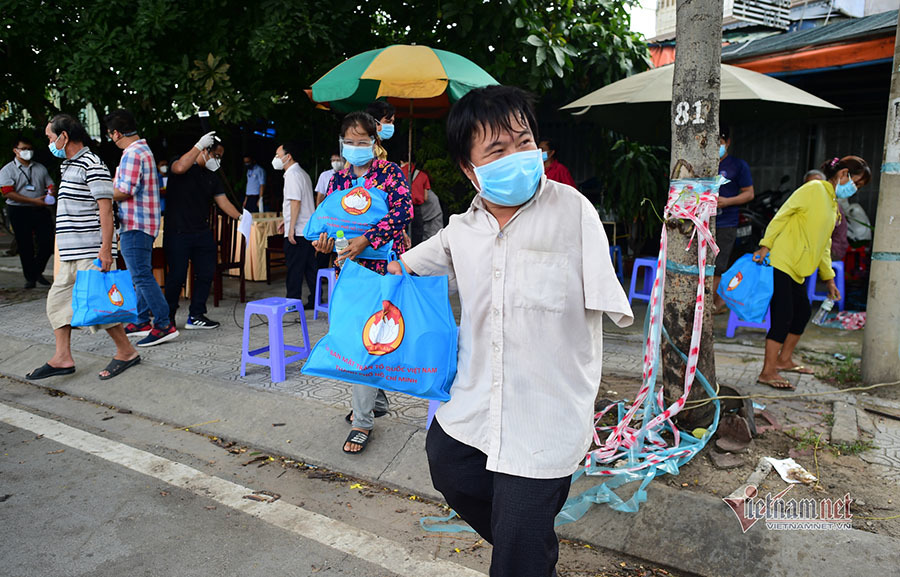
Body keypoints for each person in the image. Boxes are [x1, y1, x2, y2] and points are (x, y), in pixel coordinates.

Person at [387, 86, 633, 577]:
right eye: (497, 150)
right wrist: (354, 249)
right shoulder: (462, 229)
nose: (517, 156)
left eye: (523, 142)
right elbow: (403, 270)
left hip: (543, 416)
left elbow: (613, 307)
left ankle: (525, 554)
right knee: (448, 466)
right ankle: (530, 551)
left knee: (517, 550)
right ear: (468, 168)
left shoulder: (574, 213)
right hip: (473, 407)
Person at [312, 111, 412, 454]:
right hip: (349, 268)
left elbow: (402, 213)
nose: (356, 148)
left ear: (375, 141)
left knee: (367, 341)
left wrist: (367, 239)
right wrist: (327, 244)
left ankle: (362, 421)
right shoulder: (338, 180)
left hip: (383, 268)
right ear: (342, 143)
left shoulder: (389, 173)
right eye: (350, 142)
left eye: (362, 142)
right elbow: (334, 220)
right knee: (357, 338)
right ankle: (373, 400)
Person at [25, 113, 141, 381]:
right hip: (69, 252)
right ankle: (62, 357)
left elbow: (106, 210)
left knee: (101, 305)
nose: (49, 142)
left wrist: (106, 250)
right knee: (59, 303)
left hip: (90, 250)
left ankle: (127, 352)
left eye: (51, 137)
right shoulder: (69, 165)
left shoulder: (92, 164)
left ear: (64, 136)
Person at [753, 155, 870, 389]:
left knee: (802, 313)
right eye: (855, 183)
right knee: (783, 315)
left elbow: (824, 245)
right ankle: (767, 371)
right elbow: (783, 213)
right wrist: (765, 244)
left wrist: (829, 279)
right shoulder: (815, 188)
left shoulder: (832, 203)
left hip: (800, 268)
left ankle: (784, 360)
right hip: (783, 260)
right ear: (843, 174)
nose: (854, 189)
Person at [104, 109, 178, 347]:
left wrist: (101, 193)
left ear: (116, 133)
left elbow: (125, 191)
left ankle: (164, 324)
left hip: (135, 223)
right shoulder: (142, 150)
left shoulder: (133, 153)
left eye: (109, 134)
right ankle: (142, 319)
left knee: (141, 276)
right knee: (140, 274)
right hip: (141, 222)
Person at [164, 131, 243, 330]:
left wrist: (241, 217)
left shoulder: (211, 177)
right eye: (216, 156)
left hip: (201, 231)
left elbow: (223, 202)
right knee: (177, 276)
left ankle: (196, 315)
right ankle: (167, 318)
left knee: (206, 273)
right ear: (205, 150)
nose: (218, 161)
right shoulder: (180, 164)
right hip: (178, 232)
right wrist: (199, 144)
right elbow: (180, 167)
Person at [0, 135, 55, 288]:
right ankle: (30, 278)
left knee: (47, 242)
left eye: (30, 149)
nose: (27, 152)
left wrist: (51, 192)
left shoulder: (40, 168)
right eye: (24, 149)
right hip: (18, 210)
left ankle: (37, 271)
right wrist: (33, 201)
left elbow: (50, 184)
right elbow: (8, 192)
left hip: (40, 209)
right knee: (25, 245)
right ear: (15, 150)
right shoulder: (8, 170)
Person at [713, 127, 754, 313]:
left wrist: (728, 201)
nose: (717, 146)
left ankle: (714, 303)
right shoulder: (703, 163)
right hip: (703, 222)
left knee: (718, 265)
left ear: (727, 142)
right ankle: (708, 301)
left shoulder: (738, 165)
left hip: (726, 223)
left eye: (720, 143)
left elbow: (749, 194)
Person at [273, 141, 316, 307]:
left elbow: (296, 202)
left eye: (278, 156)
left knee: (294, 269)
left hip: (298, 231)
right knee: (309, 268)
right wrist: (286, 220)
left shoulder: (292, 174)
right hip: (307, 229)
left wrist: (291, 229)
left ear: (288, 156)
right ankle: (314, 299)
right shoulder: (302, 173)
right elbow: (301, 202)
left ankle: (292, 302)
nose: (276, 159)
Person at [399, 157, 442, 245]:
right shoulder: (422, 175)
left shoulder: (397, 173)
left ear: (401, 161)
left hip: (400, 207)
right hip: (416, 209)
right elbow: (425, 197)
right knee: (416, 234)